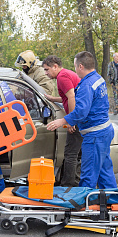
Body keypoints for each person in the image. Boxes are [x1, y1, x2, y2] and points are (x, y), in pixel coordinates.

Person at [46, 51, 117, 189]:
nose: (74, 69)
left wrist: (63, 121)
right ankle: (111, 201)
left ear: (80, 66)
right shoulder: (98, 79)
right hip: (104, 131)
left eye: (75, 66)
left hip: (94, 135)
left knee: (88, 175)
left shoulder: (86, 85)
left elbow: (81, 111)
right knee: (104, 172)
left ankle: (86, 206)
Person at [42, 55, 83, 187]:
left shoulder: (62, 77)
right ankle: (75, 181)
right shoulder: (67, 74)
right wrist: (53, 99)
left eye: (47, 69)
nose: (46, 73)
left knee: (70, 154)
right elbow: (68, 96)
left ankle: (68, 186)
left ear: (55, 66)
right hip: (80, 117)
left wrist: (71, 121)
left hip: (77, 118)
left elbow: (71, 97)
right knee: (77, 153)